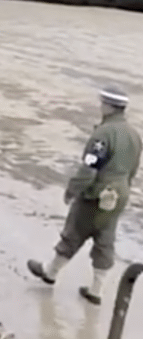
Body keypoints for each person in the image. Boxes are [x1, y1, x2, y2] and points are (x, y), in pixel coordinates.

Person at [27, 86, 142, 303]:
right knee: (105, 239)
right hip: (120, 194)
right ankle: (96, 291)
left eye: (102, 103)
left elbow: (90, 167)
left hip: (97, 193)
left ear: (107, 106)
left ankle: (50, 273)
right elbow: (133, 169)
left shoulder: (103, 134)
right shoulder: (134, 135)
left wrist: (73, 189)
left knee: (74, 231)